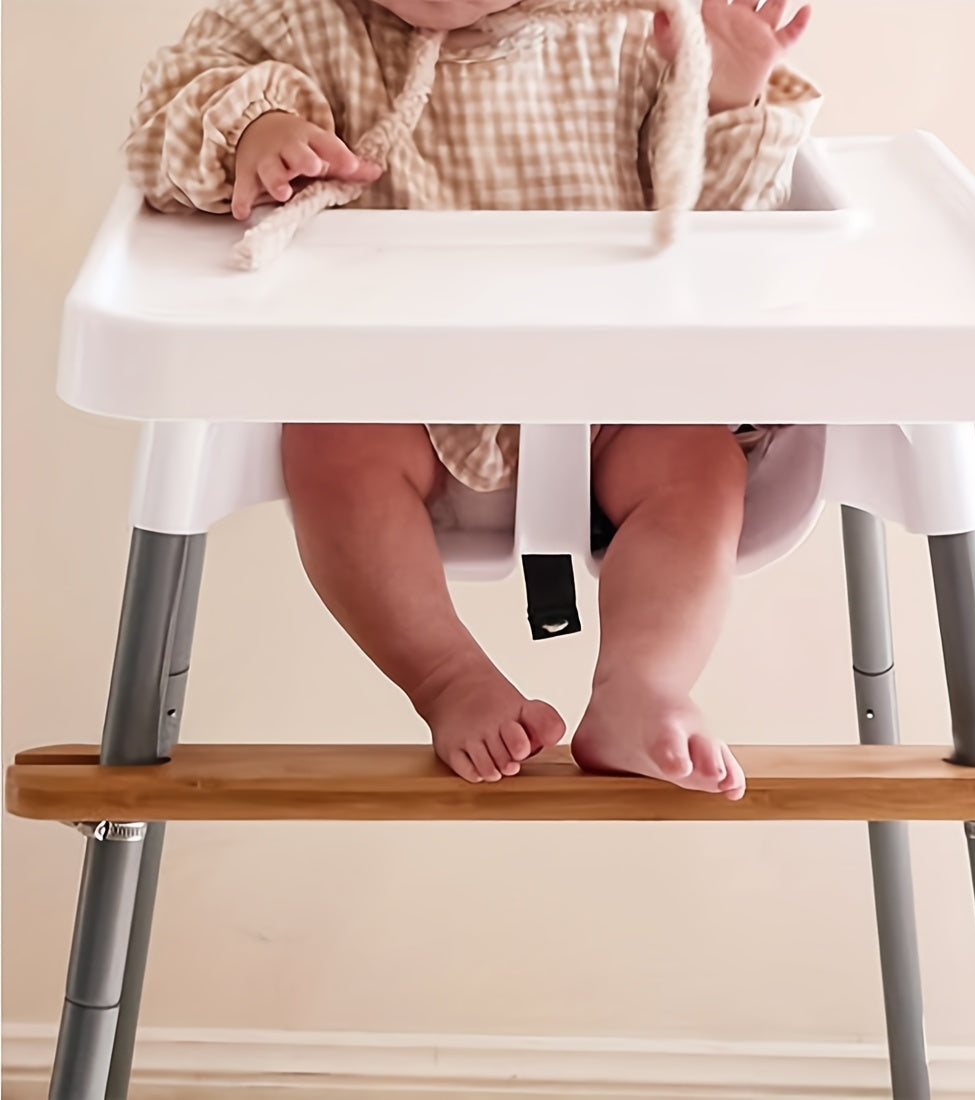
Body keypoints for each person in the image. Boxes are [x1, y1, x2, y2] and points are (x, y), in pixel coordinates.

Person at [125, 0, 820, 799]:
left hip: (607, 402)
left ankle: (643, 685)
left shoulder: (631, 33)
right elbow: (166, 112)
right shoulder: (297, 22)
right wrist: (254, 130)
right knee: (330, 441)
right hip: (403, 403)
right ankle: (447, 676)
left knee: (697, 460)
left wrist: (727, 95)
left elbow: (722, 233)